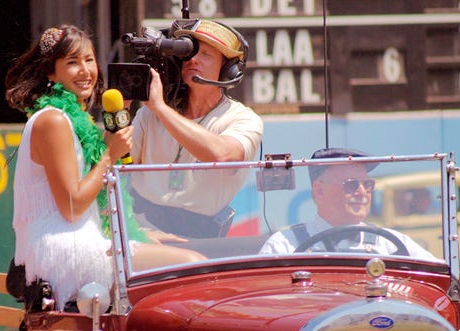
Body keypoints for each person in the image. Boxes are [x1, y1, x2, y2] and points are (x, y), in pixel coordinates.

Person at [6, 25, 204, 311]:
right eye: (72, 63)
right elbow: (72, 205)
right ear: (51, 72)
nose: (85, 70)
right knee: (192, 266)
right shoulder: (53, 121)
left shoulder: (75, 119)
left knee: (180, 258)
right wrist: (109, 154)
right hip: (65, 252)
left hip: (86, 239)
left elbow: (93, 206)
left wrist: (139, 235)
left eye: (89, 60)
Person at [129, 19, 263, 238]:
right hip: (143, 228)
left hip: (201, 236)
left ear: (227, 69)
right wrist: (121, 112)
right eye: (189, 54)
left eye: (206, 55)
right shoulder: (149, 113)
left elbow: (224, 157)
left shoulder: (244, 118)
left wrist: (161, 109)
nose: (193, 60)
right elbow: (117, 162)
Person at [259, 148, 439, 261]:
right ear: (319, 190)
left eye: (368, 185)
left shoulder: (391, 244)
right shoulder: (284, 246)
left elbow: (439, 279)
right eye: (351, 184)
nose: (362, 192)